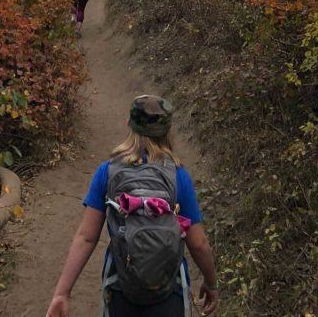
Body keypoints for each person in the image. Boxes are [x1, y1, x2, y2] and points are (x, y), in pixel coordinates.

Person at [46, 95, 219, 317]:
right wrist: (211, 283)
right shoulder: (178, 176)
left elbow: (86, 238)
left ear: (129, 124)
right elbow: (198, 243)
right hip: (169, 291)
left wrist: (62, 293)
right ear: (167, 131)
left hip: (121, 287)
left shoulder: (107, 172)